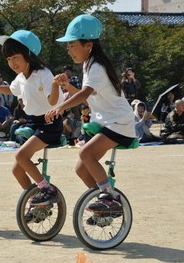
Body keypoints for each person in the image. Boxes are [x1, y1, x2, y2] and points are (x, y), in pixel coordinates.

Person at [45, 14, 136, 219]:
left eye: (72, 46)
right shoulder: (89, 65)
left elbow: (85, 95)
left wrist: (60, 107)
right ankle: (105, 201)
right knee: (82, 169)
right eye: (67, 47)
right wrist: (67, 87)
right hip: (107, 123)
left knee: (86, 155)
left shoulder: (96, 66)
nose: (69, 51)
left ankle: (109, 197)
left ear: (88, 45)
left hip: (118, 123)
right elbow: (88, 95)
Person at [0, 29, 64, 206]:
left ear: (28, 55)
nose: (11, 63)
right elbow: (11, 90)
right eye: (8, 59)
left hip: (49, 123)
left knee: (21, 156)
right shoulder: (21, 77)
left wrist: (54, 85)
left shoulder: (44, 74)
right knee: (17, 170)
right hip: (33, 122)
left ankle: (48, 190)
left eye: (15, 57)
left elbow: (53, 101)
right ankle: (37, 203)